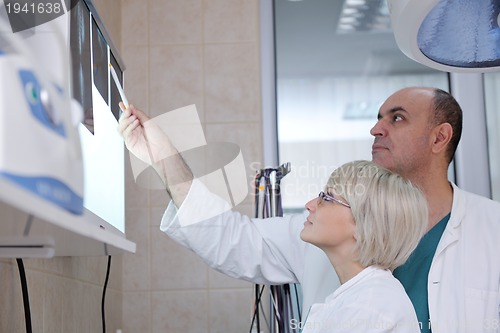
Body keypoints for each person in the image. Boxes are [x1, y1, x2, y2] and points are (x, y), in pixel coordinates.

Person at [118, 87, 500, 333]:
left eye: (396, 118)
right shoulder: (324, 230)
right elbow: (230, 237)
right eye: (378, 118)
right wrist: (161, 155)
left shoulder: (492, 230)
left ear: (440, 137)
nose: (375, 129)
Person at [298, 160, 426, 333]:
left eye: (327, 198)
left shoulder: (369, 306)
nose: (310, 205)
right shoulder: (365, 297)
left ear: (364, 225)